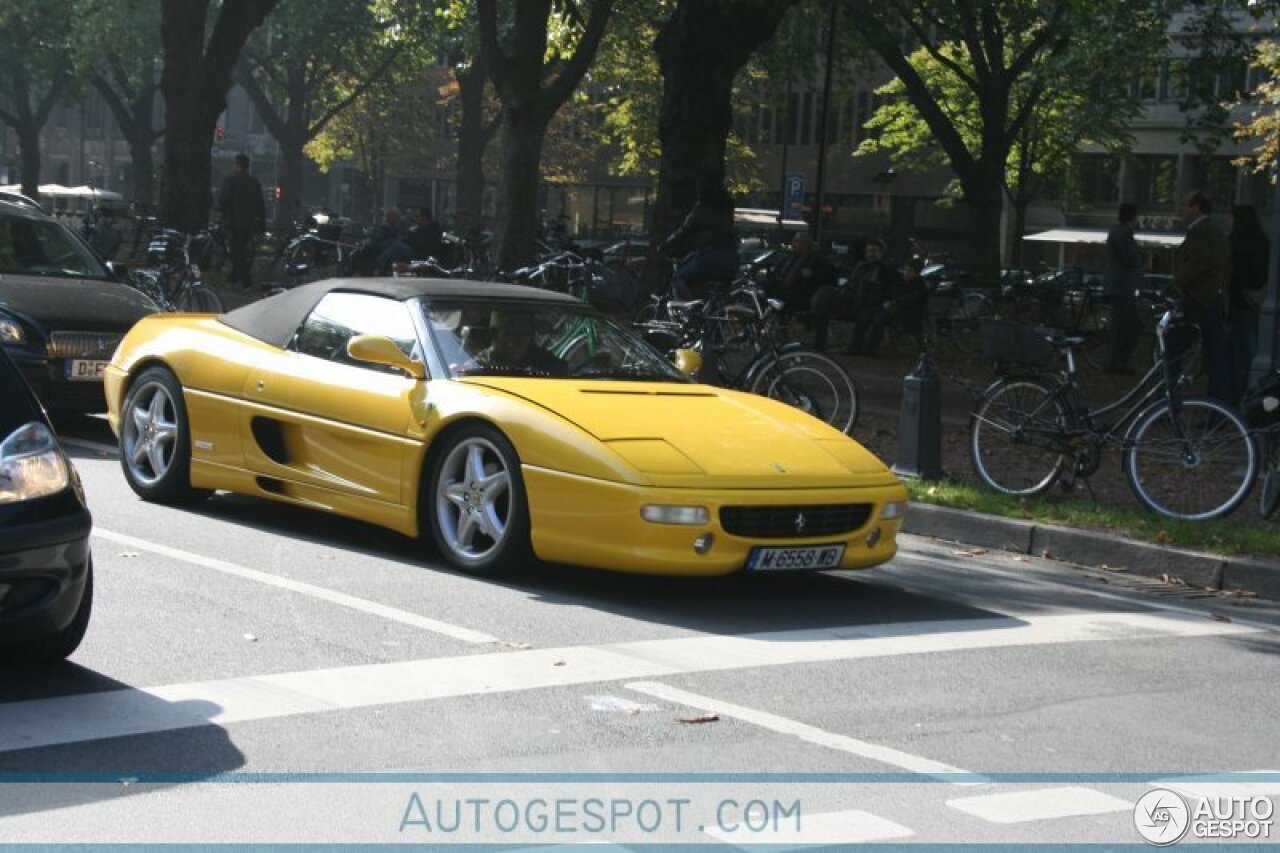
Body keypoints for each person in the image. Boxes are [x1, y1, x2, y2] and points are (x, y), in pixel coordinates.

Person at [1172, 190, 1231, 404]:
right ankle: (1218, 408)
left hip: (1199, 301)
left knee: (1172, 352)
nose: (1182, 208)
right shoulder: (1212, 232)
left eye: (1186, 205)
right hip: (1210, 300)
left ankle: (1169, 403)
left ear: (1196, 208)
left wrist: (1176, 285)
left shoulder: (1203, 232)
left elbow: (1196, 264)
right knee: (1215, 357)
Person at [661, 177, 738, 298]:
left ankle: (691, 311)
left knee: (680, 277)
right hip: (731, 257)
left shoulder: (702, 208)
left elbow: (685, 230)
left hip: (709, 257)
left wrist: (666, 245)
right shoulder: (727, 207)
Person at [1227, 203, 1270, 404]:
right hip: (1254, 302)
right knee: (1251, 353)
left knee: (1239, 357)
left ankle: (1240, 400)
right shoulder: (1263, 242)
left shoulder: (1235, 243)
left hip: (1239, 303)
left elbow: (1233, 276)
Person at [1102, 202, 1144, 373]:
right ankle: (1117, 363)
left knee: (1122, 326)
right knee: (1127, 326)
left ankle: (1115, 362)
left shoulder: (1116, 231)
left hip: (1117, 286)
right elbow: (1131, 259)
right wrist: (1141, 258)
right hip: (1122, 287)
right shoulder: (1124, 234)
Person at [216, 153, 266, 290]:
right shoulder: (254, 183)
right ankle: (233, 278)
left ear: (237, 164)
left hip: (234, 222)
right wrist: (261, 224)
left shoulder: (230, 180)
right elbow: (261, 205)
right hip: (250, 224)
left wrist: (220, 210)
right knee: (242, 251)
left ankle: (246, 281)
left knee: (236, 252)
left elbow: (221, 200)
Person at [770, 231, 836, 326]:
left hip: (800, 294)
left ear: (805, 244)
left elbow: (826, 278)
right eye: (793, 241)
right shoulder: (789, 258)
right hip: (782, 288)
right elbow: (777, 273)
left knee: (782, 298)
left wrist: (811, 274)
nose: (793, 244)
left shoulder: (817, 261)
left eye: (797, 241)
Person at [863, 258, 929, 354]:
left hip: (910, 313)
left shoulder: (920, 285)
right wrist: (886, 301)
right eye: (905, 270)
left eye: (910, 271)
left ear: (916, 274)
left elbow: (912, 300)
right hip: (895, 309)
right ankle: (862, 345)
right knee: (869, 315)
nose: (906, 273)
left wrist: (894, 302)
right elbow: (890, 293)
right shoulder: (899, 282)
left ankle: (869, 348)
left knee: (882, 318)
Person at [476, 311, 566, 375]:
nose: (514, 341)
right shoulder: (479, 366)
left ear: (530, 336)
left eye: (523, 333)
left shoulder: (544, 362)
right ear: (494, 335)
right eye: (508, 333)